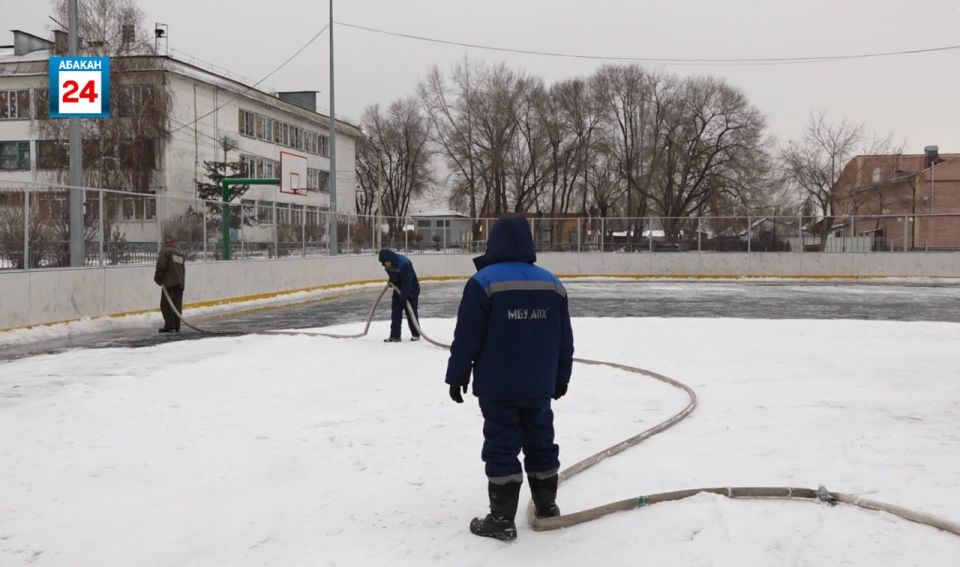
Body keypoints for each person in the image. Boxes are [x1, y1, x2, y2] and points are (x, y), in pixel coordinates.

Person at [445, 216, 574, 541]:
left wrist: (457, 375)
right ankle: (547, 507)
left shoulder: (483, 283)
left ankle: (502, 519)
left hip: (498, 386)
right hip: (539, 386)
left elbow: (467, 336)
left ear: (495, 243)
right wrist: (561, 378)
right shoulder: (553, 284)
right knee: (541, 441)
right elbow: (564, 341)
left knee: (502, 445)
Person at [378, 248, 421, 342]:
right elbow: (394, 275)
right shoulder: (387, 264)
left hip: (411, 289)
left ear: (391, 259)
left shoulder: (404, 264)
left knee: (411, 313)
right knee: (395, 312)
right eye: (384, 263)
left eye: (387, 262)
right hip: (398, 289)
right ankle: (395, 336)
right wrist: (391, 281)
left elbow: (407, 282)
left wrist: (404, 296)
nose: (386, 264)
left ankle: (416, 334)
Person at [154, 238, 186, 333]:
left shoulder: (165, 251)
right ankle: (176, 325)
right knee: (177, 306)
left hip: (169, 283)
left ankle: (170, 325)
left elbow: (161, 266)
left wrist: (158, 279)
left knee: (165, 305)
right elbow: (183, 270)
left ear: (165, 244)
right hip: (180, 284)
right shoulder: (180, 254)